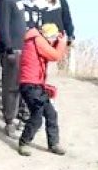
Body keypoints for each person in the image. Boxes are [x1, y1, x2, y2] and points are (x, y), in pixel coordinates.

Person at [17, 23, 68, 156]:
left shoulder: (36, 39)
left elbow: (51, 54)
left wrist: (58, 42)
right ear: (48, 36)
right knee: (37, 116)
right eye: (53, 38)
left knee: (51, 113)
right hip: (30, 85)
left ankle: (54, 144)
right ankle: (24, 143)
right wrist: (62, 43)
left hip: (36, 84)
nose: (53, 40)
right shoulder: (37, 40)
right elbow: (55, 56)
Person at [0, 0, 36, 135]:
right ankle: (9, 120)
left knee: (22, 86)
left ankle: (20, 116)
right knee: (11, 87)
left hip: (24, 49)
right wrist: (8, 47)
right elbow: (3, 25)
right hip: (13, 50)